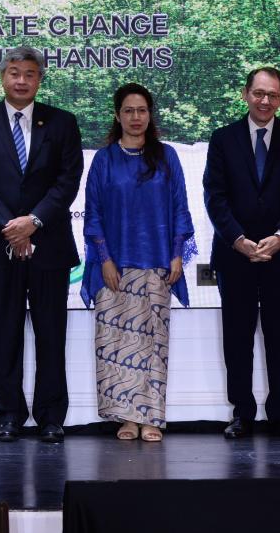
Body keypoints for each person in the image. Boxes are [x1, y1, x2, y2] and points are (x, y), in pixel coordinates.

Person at [0, 47, 83, 444]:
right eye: (14, 73)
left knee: (51, 332)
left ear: (39, 79)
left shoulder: (62, 123)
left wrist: (33, 222)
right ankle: (9, 414)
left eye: (29, 74)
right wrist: (12, 228)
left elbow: (68, 180)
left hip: (49, 243)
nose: (21, 80)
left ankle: (51, 416)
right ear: (2, 76)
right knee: (6, 331)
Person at [81, 83, 196, 442]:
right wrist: (104, 259)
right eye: (128, 111)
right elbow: (94, 213)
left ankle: (151, 418)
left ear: (150, 115)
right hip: (114, 267)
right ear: (117, 115)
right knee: (116, 347)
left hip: (157, 265)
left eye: (142, 110)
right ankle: (126, 419)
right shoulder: (103, 159)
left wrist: (176, 252)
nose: (135, 117)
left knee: (151, 345)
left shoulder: (167, 157)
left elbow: (180, 206)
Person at [202, 67, 280, 440]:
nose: (266, 101)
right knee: (238, 336)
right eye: (259, 93)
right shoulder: (222, 139)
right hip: (236, 256)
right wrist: (237, 239)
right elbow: (214, 196)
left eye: (273, 95)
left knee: (279, 336)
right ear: (245, 93)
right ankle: (242, 412)